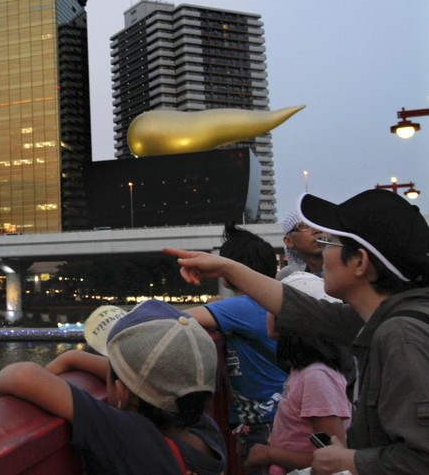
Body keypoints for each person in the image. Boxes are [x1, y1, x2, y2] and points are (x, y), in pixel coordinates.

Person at [164, 189, 429, 474]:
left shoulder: (400, 335)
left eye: (328, 241)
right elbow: (300, 309)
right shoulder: (375, 318)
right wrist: (226, 266)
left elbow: (421, 458)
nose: (321, 251)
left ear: (360, 262)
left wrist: (350, 461)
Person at [0, 300, 227, 474]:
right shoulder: (206, 430)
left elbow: (21, 375)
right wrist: (74, 358)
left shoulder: (132, 437)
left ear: (122, 393)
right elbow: (151, 381)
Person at [185, 223, 288, 472]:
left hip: (263, 426)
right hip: (279, 417)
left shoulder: (243, 306)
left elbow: (171, 318)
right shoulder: (261, 304)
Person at [245, 273, 351, 475]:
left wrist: (271, 454)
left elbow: (335, 460)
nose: (267, 312)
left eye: (273, 306)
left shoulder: (316, 376)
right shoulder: (305, 370)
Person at [277, 209, 324, 280]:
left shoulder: (345, 271)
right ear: (289, 241)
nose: (317, 230)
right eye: (304, 225)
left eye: (319, 224)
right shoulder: (289, 278)